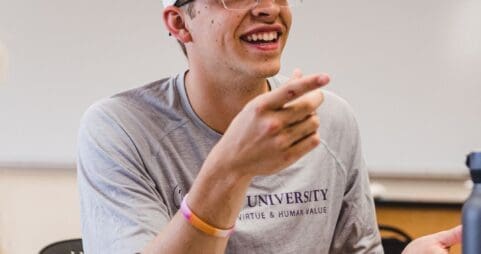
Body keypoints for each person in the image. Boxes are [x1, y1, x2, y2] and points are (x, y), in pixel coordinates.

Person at [76, 0, 462, 253]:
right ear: (179, 23)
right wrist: (231, 166)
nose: (268, 8)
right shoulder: (119, 130)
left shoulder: (328, 120)